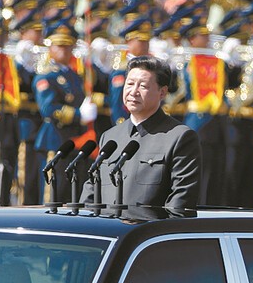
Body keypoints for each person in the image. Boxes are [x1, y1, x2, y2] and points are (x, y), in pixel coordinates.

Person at [83, 55, 200, 214]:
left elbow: (181, 202)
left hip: (147, 236)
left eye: (143, 86)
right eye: (130, 84)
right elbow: (91, 191)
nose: (133, 92)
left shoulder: (179, 137)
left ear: (162, 92)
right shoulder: (110, 136)